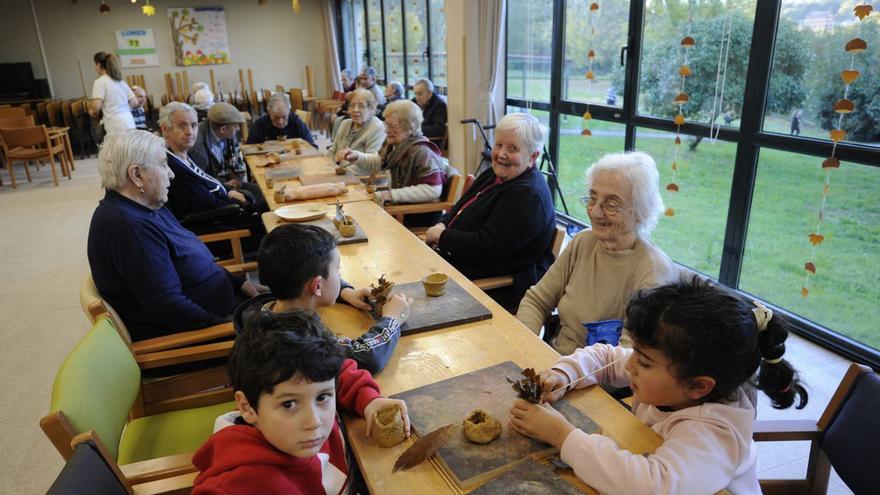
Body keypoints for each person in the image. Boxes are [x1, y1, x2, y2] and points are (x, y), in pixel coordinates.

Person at [509, 278, 809, 495]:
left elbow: (652, 485)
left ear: (699, 386)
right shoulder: (676, 377)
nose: (630, 366)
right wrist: (565, 375)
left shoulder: (713, 435)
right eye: (636, 353)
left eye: (645, 361)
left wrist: (563, 436)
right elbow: (605, 356)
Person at [192, 310, 411, 494]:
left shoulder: (306, 387)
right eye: (289, 404)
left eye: (322, 397)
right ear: (247, 407)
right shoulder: (236, 485)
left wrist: (369, 400)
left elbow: (338, 372)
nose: (313, 421)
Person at [87, 130, 266, 342]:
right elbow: (169, 307)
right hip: (200, 335)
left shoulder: (149, 206)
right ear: (136, 175)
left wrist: (239, 284)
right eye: (163, 165)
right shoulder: (128, 227)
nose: (171, 174)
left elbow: (191, 260)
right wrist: (232, 329)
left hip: (224, 307)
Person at [517, 151, 679, 355]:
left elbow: (630, 356)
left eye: (611, 204)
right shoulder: (584, 242)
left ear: (641, 211)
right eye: (593, 198)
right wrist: (525, 349)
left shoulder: (653, 271)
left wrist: (565, 372)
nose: (595, 211)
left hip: (599, 382)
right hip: (553, 361)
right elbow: (536, 301)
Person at [234, 224, 411, 373]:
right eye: (337, 269)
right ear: (317, 286)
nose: (339, 275)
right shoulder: (301, 343)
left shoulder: (275, 303)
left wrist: (345, 292)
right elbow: (366, 356)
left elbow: (315, 281)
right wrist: (392, 319)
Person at [424, 113, 556, 311]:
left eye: (513, 148)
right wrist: (442, 224)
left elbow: (486, 248)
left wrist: (442, 237)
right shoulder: (495, 174)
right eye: (499, 145)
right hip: (456, 261)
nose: (501, 154)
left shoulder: (527, 195)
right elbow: (459, 207)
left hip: (493, 288)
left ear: (533, 156)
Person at [160, 102, 266, 238]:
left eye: (193, 125)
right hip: (222, 226)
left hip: (225, 213)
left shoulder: (182, 155)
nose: (190, 132)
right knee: (272, 213)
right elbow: (206, 205)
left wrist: (229, 191)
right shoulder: (174, 168)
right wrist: (240, 202)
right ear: (165, 129)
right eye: (182, 125)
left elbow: (207, 181)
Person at [339, 100, 446, 225]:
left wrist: (391, 195)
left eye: (392, 126)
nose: (386, 130)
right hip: (399, 210)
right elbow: (379, 162)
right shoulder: (395, 144)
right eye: (386, 125)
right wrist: (357, 156)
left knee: (361, 221)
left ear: (409, 127)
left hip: (416, 216)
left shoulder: (423, 152)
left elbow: (433, 190)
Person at [327, 89, 386, 171]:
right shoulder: (345, 123)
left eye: (361, 106)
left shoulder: (377, 128)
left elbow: (372, 165)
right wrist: (327, 166)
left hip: (360, 179)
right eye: (352, 105)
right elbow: (333, 150)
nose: (355, 109)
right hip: (338, 173)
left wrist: (338, 172)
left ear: (371, 108)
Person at [89, 52, 137, 135]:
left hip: (115, 125)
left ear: (98, 64)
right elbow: (135, 102)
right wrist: (122, 108)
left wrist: (92, 111)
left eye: (95, 65)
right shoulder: (121, 82)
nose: (95, 68)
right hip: (129, 121)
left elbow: (96, 106)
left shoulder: (100, 82)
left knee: (119, 148)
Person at [246, 93, 316, 147]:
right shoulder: (259, 125)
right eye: (276, 117)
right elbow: (250, 149)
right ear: (269, 112)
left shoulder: (297, 123)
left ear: (289, 111)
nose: (280, 122)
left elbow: (312, 147)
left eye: (284, 117)